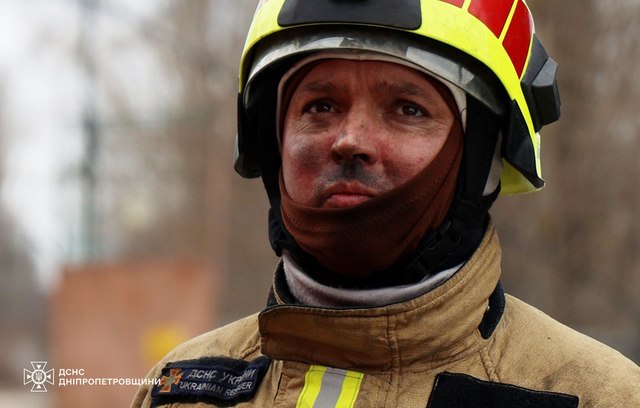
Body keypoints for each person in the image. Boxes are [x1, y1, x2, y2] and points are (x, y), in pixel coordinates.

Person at [132, 1, 640, 407]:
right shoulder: (179, 389)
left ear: (482, 155)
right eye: (321, 105)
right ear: (271, 140)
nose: (350, 140)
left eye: (407, 108)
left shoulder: (593, 396)